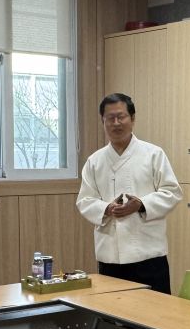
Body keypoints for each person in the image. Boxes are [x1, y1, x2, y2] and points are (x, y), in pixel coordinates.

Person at [77, 92, 182, 295]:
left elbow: (172, 192)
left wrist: (141, 204)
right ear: (103, 121)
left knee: (155, 318)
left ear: (132, 119)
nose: (116, 123)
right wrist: (106, 208)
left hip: (149, 257)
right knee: (112, 319)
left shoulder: (153, 154)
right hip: (110, 258)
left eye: (121, 117)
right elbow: (84, 200)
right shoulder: (94, 161)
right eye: (110, 118)